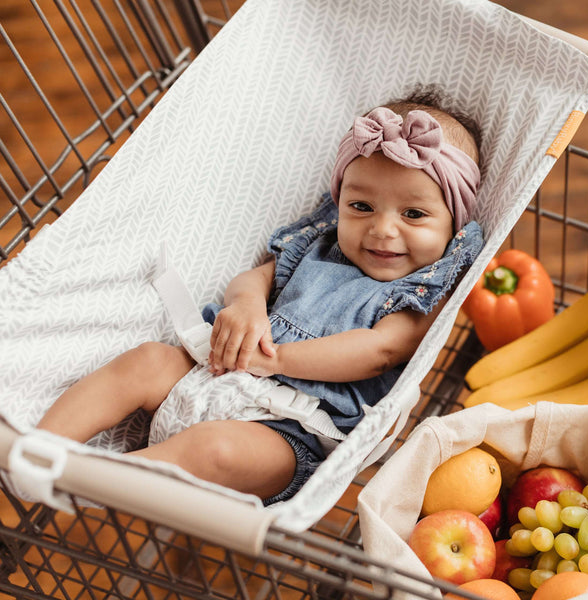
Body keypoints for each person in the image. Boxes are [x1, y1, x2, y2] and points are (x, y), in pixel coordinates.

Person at [36, 87, 485, 505]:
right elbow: (253, 279)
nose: (383, 229)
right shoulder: (318, 246)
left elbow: (380, 351)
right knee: (147, 360)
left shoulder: (426, 288)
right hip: (210, 371)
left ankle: (84, 482)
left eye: (413, 213)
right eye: (361, 207)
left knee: (215, 449)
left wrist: (278, 362)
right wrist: (248, 306)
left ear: (452, 222)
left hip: (291, 430)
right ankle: (37, 449)